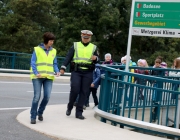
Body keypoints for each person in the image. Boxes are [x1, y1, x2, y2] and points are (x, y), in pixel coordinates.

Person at [60, 30, 99, 120]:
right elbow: (68, 57)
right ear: (81, 36)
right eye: (84, 38)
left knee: (84, 92)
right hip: (76, 71)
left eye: (87, 38)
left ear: (90, 38)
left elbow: (98, 59)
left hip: (88, 72)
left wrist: (96, 58)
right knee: (75, 89)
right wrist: (63, 68)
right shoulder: (75, 45)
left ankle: (79, 112)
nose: (85, 39)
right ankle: (70, 106)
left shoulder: (93, 47)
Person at [30, 32, 60, 124]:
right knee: (36, 97)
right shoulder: (37, 49)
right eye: (51, 41)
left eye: (53, 41)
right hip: (37, 77)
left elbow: (54, 63)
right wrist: (36, 72)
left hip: (49, 77)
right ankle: (33, 116)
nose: (52, 42)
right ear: (46, 40)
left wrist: (57, 71)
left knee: (47, 97)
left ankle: (40, 112)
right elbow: (33, 62)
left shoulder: (53, 51)